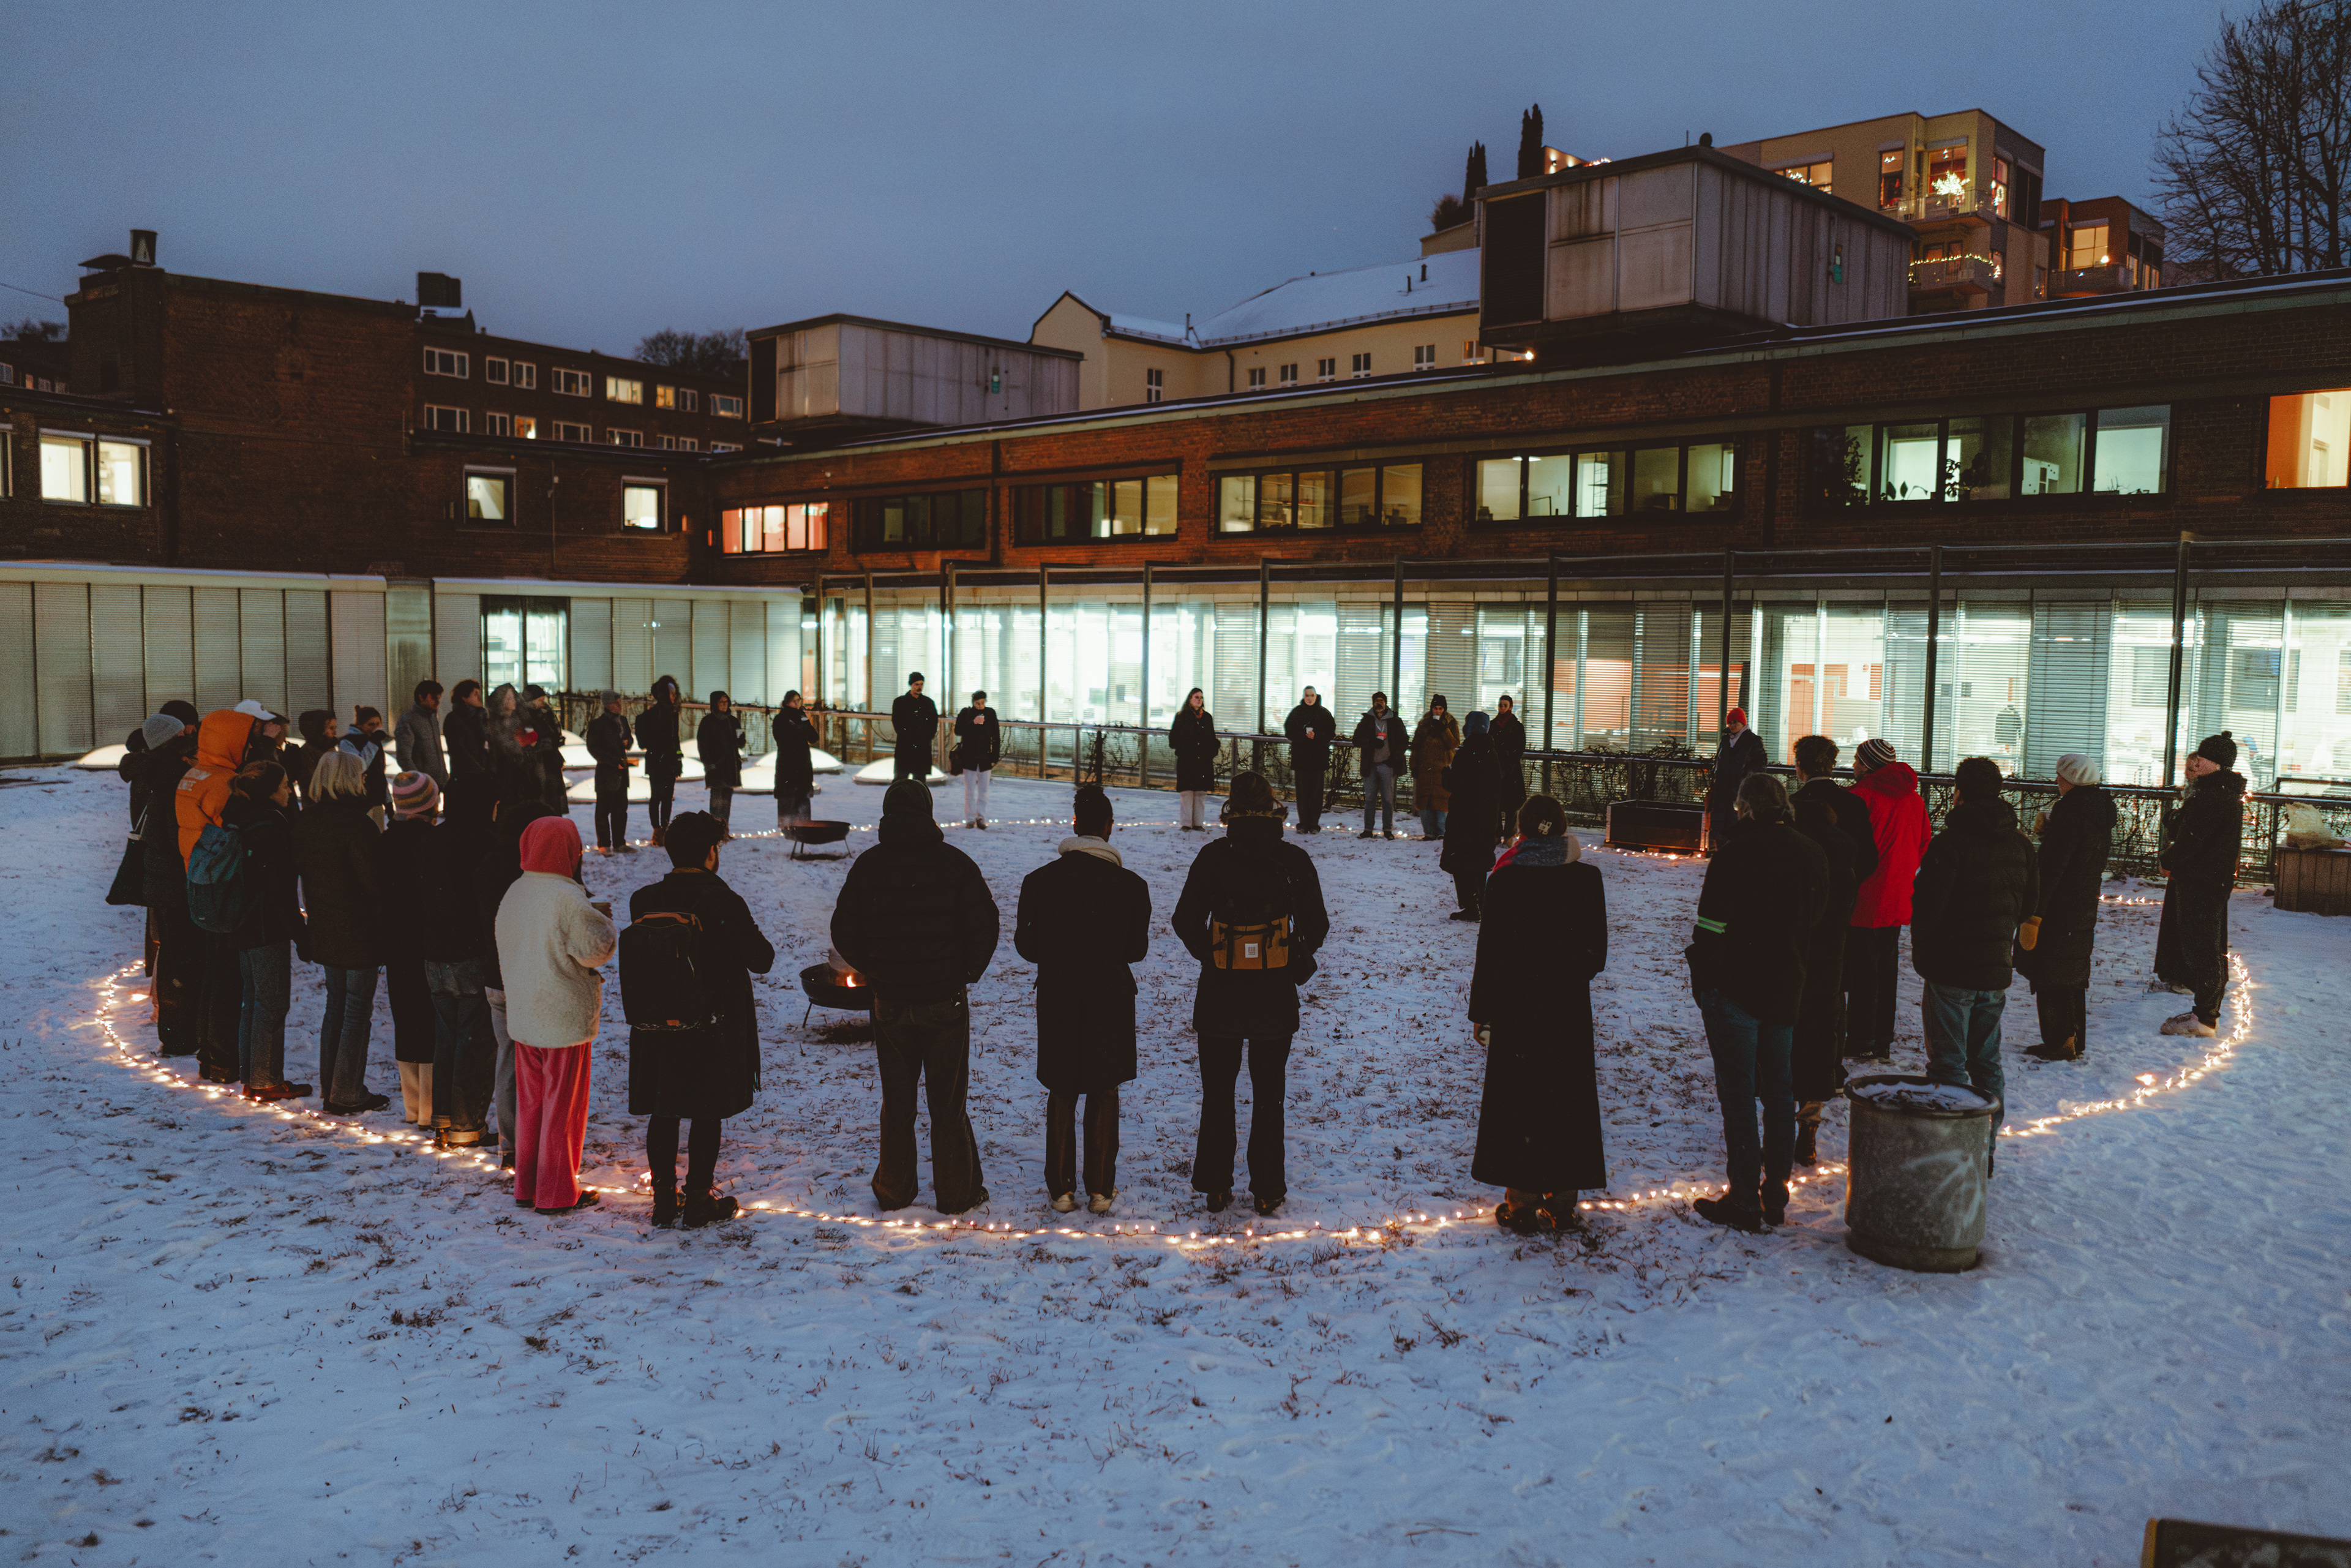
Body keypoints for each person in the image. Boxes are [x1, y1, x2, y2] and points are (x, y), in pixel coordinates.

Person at [830, 779, 1000, 1214]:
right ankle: (955, 1190)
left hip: (891, 1000)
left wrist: (876, 969)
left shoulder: (870, 866)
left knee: (898, 1101)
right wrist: (963, 972)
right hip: (943, 999)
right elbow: (985, 926)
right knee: (947, 1102)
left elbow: (844, 930)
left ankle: (895, 1188)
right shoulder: (954, 864)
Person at [1171, 771, 1330, 1217]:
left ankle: (1216, 1183)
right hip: (1273, 994)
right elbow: (1317, 924)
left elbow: (1184, 919)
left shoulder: (1213, 857)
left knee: (1218, 1093)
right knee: (1269, 1093)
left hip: (1220, 993)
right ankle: (1267, 1187)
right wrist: (1290, 952)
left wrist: (1213, 952)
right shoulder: (1292, 860)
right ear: (1273, 807)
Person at [1687, 773, 1828, 1232]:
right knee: (1780, 1091)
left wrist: (1706, 981)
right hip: (1785, 986)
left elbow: (1710, 928)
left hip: (1736, 988)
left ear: (1745, 807)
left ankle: (1745, 1196)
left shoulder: (1734, 854)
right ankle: (1776, 1190)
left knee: (1739, 1094)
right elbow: (1817, 918)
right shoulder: (1810, 853)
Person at [625, 811, 776, 1228]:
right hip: (711, 1023)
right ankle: (696, 1201)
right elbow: (762, 959)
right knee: (705, 1110)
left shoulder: (644, 900)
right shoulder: (723, 901)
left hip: (656, 1022)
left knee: (664, 1108)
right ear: (711, 853)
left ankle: (662, 1202)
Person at [1471, 795, 1607, 1232]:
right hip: (1566, 1005)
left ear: (1521, 832)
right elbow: (1596, 952)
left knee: (1520, 1097)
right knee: (1567, 1094)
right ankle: (1564, 1196)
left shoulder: (1506, 881)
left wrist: (1484, 1011)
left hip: (1518, 1005)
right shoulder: (1586, 879)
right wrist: (1566, 975)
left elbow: (1490, 954)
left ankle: (1524, 1197)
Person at [1013, 786, 1152, 1214]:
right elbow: (1136, 949)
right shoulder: (1132, 886)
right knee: (1104, 1086)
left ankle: (1060, 1188)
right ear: (1109, 828)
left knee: (1062, 1085)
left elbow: (1025, 943)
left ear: (1074, 825)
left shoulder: (1039, 881)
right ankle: (1100, 1188)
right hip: (1110, 991)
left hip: (1059, 989)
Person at [1911, 757, 2038, 1163]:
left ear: (1959, 791)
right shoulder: (2019, 843)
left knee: (1948, 1064)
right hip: (1994, 968)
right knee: (1986, 1060)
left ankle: (1950, 1153)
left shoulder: (1950, 844)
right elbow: (2031, 904)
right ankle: (1985, 1147)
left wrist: (1927, 954)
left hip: (1952, 968)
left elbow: (1928, 907)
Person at [496, 816, 617, 1215]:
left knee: (531, 1106)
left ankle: (527, 1184)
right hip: (562, 1017)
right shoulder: (567, 897)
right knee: (562, 1108)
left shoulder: (515, 891)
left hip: (526, 1014)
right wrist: (606, 924)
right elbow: (594, 949)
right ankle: (557, 1191)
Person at [1790, 735, 1878, 1160]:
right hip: (1838, 924)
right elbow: (1870, 860)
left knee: (1791, 1005)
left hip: (1794, 926)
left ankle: (1790, 1090)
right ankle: (1825, 1076)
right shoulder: (1854, 807)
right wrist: (1844, 890)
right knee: (1829, 1002)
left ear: (1799, 766)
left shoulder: (1789, 809)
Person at [295, 750, 391, 1115]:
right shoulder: (358, 824)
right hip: (358, 928)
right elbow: (372, 883)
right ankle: (347, 1090)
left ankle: (331, 1085)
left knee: (336, 1006)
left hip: (323, 923)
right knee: (355, 1011)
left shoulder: (307, 822)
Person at [178, 707, 268, 1082]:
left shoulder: (195, 773)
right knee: (228, 978)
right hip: (222, 886)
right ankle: (221, 1058)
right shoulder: (223, 783)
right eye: (248, 739)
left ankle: (209, 1053)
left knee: (213, 973)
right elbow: (237, 830)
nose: (252, 746)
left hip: (200, 883)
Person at [418, 773, 500, 1149]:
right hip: (469, 951)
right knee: (473, 1038)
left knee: (446, 1034)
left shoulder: (432, 838)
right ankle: (467, 1124)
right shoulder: (486, 842)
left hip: (434, 952)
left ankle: (443, 1117)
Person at [476, 795, 559, 1165]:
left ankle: (512, 1144)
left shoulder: (489, 863)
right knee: (544, 1064)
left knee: (508, 1059)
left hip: (495, 974)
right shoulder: (539, 871)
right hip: (531, 976)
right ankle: (539, 1145)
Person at [221, 762, 309, 1103]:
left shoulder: (241, 816)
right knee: (272, 1002)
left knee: (254, 1001)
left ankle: (252, 1075)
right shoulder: (270, 826)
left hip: (241, 920)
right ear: (270, 790)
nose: (291, 791)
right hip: (264, 926)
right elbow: (278, 890)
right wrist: (300, 934)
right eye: (286, 785)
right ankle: (265, 1080)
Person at [2023, 754, 2117, 1061]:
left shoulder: (2071, 816)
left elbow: (2052, 869)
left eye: (2061, 778)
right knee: (2072, 974)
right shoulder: (2096, 811)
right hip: (2082, 904)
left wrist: (2035, 914)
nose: (2057, 783)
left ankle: (2059, 1041)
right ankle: (2073, 1039)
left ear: (2072, 780)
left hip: (2059, 908)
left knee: (2053, 974)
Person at [1844, 738, 1932, 1063]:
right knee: (1886, 970)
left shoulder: (1860, 797)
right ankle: (1882, 1039)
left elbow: (1851, 850)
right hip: (1898, 894)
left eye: (1857, 760)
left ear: (1868, 765)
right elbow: (1924, 841)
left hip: (1865, 895)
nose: (1853, 766)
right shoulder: (1913, 799)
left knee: (1862, 972)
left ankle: (1862, 1039)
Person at [2153, 732, 2246, 1039]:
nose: (2194, 761)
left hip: (2203, 881)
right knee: (2204, 944)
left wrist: (2168, 858)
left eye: (2201, 757)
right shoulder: (2214, 793)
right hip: (2208, 880)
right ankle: (2204, 1012)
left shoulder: (2213, 796)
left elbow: (2194, 840)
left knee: (2202, 947)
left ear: (2217, 764)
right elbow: (2193, 831)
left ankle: (2205, 1018)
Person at [1789, 793, 1859, 1166]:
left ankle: (1780, 1124)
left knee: (1786, 1039)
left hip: (1795, 959)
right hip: (1831, 961)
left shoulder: (1795, 853)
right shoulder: (1847, 854)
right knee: (1819, 1040)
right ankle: (1810, 1125)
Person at [132, 711, 201, 1053]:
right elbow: (175, 830)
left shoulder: (153, 769)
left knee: (175, 951)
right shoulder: (173, 774)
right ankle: (179, 1032)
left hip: (161, 876)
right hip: (174, 876)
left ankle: (176, 1030)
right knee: (181, 953)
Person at [382, 770, 442, 1126]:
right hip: (425, 940)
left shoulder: (386, 841)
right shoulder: (431, 843)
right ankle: (430, 1110)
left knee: (405, 1018)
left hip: (395, 941)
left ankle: (413, 1106)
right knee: (430, 1020)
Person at [1440, 711, 1502, 921]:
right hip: (1485, 818)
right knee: (1479, 862)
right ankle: (1480, 904)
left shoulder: (1466, 753)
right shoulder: (1491, 753)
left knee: (1462, 862)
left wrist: (1446, 775)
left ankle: (1470, 905)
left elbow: (1456, 785)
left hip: (1464, 819)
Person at [1705, 707, 1767, 853]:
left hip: (1740, 788)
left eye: (1735, 722)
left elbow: (1760, 764)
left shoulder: (1752, 741)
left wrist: (1747, 779)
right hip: (1724, 788)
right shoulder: (1726, 740)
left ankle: (1732, 852)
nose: (1732, 725)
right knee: (1721, 819)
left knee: (1735, 819)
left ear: (1743, 723)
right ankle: (1722, 851)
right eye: (1730, 722)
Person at [637, 676, 687, 846]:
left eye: (674, 692)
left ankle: (664, 828)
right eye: (670, 693)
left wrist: (678, 759)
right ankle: (657, 830)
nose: (673, 696)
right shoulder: (652, 716)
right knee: (657, 796)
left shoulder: (672, 714)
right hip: (657, 762)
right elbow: (646, 742)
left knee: (667, 797)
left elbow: (676, 740)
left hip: (669, 762)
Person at [585, 690, 636, 853]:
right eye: (617, 702)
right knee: (603, 810)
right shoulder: (598, 725)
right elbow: (593, 748)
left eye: (621, 702)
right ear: (608, 705)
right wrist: (613, 761)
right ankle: (604, 844)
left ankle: (619, 843)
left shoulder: (623, 721)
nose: (620, 706)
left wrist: (628, 742)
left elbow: (629, 740)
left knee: (621, 810)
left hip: (622, 774)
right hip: (607, 774)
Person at [1352, 693, 1408, 840]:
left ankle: (1388, 830)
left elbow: (1404, 741)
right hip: (1370, 765)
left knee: (1388, 800)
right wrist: (1370, 742)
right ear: (1373, 703)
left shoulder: (1395, 720)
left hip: (1388, 765)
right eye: (1377, 701)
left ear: (1386, 703)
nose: (1379, 704)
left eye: (1382, 701)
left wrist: (1395, 758)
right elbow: (1356, 739)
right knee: (1370, 799)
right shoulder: (1367, 720)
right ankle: (1368, 830)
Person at [1282, 686, 1337, 835]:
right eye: (1307, 695)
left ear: (1316, 696)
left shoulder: (1324, 713)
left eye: (1312, 695)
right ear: (1304, 696)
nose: (1309, 698)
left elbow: (1331, 732)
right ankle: (1303, 824)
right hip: (1301, 760)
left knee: (1316, 794)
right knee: (1302, 794)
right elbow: (1289, 731)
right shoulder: (1297, 713)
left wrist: (1316, 736)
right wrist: (1303, 736)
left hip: (1318, 760)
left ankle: (1314, 824)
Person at [1409, 695, 1460, 841]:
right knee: (1425, 802)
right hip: (1425, 769)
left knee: (1441, 803)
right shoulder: (1424, 723)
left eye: (1440, 708)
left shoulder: (1451, 723)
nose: (1437, 711)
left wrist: (1444, 730)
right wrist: (1414, 766)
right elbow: (1416, 746)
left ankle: (1442, 832)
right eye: (1435, 708)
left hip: (1442, 769)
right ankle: (1429, 832)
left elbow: (1454, 744)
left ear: (1444, 710)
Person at [1168, 688, 1219, 830]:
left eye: (1201, 698)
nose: (1199, 700)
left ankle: (1198, 823)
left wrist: (1211, 751)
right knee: (1187, 793)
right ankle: (1186, 823)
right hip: (1187, 760)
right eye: (1196, 697)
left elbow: (1211, 738)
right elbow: (1173, 740)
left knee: (1200, 793)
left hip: (1203, 761)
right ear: (1190, 699)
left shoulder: (1207, 718)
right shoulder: (1182, 717)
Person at [696, 690, 745, 836]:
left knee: (727, 799)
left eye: (726, 702)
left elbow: (741, 741)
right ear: (715, 704)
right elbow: (703, 745)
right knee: (717, 799)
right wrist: (709, 764)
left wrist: (741, 738)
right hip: (717, 767)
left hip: (730, 766)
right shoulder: (708, 722)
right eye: (721, 702)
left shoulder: (733, 721)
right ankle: (715, 832)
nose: (724, 705)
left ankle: (724, 831)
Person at [951, 690, 1001, 829]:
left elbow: (996, 737)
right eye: (978, 703)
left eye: (983, 703)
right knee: (970, 790)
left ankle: (981, 817)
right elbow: (958, 731)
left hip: (985, 758)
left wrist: (994, 758)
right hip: (970, 757)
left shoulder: (990, 713)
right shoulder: (966, 713)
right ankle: (970, 818)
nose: (981, 706)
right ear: (973, 703)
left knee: (984, 790)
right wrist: (973, 723)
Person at [771, 690, 818, 828]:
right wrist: (798, 730)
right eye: (794, 701)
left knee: (802, 796)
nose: (797, 704)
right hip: (788, 765)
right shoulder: (781, 719)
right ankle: (787, 827)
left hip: (802, 764)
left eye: (799, 700)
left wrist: (804, 727)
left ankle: (804, 826)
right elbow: (783, 739)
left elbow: (813, 737)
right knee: (788, 796)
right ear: (787, 702)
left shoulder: (802, 716)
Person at [520, 686, 568, 816]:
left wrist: (557, 739)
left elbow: (554, 731)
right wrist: (548, 742)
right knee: (543, 799)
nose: (544, 702)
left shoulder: (546, 713)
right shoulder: (525, 717)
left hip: (551, 761)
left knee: (554, 800)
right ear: (532, 701)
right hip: (537, 764)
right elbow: (529, 743)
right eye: (540, 699)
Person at [394, 680, 447, 789]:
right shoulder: (408, 720)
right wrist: (419, 781)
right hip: (422, 785)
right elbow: (404, 757)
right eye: (434, 698)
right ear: (421, 697)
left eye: (439, 698)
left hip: (439, 782)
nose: (438, 702)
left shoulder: (433, 717)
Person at [1490, 695, 1528, 844]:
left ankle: (1507, 836)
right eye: (1501, 705)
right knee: (1498, 805)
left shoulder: (1516, 726)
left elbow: (1519, 748)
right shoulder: (1495, 725)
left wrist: (1507, 762)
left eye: (1505, 705)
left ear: (1510, 707)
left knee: (1509, 806)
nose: (1502, 708)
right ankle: (1500, 835)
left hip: (1509, 770)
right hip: (1503, 768)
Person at [891, 672, 939, 785]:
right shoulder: (900, 702)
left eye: (921, 684)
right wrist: (911, 737)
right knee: (901, 781)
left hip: (922, 748)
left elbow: (933, 724)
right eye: (917, 684)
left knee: (920, 782)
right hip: (905, 748)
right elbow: (898, 724)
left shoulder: (928, 703)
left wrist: (926, 738)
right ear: (911, 685)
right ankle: (899, 802)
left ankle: (917, 802)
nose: (920, 687)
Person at [342, 706, 391, 817]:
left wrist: (388, 801)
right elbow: (359, 766)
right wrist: (372, 743)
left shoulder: (375, 741)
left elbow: (380, 773)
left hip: (377, 798)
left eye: (378, 724)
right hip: (360, 800)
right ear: (360, 725)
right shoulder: (348, 742)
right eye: (371, 725)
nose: (375, 728)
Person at [444, 679, 492, 782]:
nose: (479, 697)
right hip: (465, 777)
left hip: (483, 775)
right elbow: (459, 751)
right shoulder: (454, 718)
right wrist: (480, 771)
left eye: (479, 693)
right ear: (464, 698)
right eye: (475, 694)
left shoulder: (480, 718)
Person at [288, 710, 339, 803]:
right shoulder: (308, 751)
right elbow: (312, 779)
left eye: (335, 728)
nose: (335, 732)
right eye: (331, 728)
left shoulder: (329, 747)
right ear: (318, 730)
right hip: (316, 802)